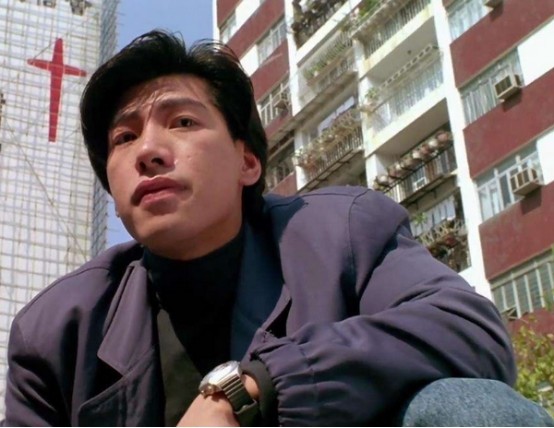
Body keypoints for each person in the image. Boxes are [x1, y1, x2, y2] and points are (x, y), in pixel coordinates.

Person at [2, 30, 552, 427]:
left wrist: (250, 391)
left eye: (183, 121)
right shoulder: (57, 331)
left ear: (247, 163)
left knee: (462, 404)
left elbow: (469, 332)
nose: (148, 150)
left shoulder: (342, 233)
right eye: (124, 139)